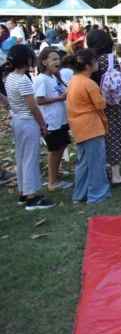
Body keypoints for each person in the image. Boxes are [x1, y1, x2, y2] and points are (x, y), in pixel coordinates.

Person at [4, 45, 55, 210]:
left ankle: (23, 192)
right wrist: (42, 125)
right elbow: (33, 107)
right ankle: (32, 196)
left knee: (21, 157)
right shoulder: (23, 80)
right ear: (26, 60)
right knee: (30, 158)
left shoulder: (10, 77)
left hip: (17, 120)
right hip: (27, 122)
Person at [64, 49, 112, 205]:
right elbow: (100, 104)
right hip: (91, 126)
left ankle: (80, 194)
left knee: (83, 163)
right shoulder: (89, 83)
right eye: (95, 61)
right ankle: (97, 194)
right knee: (97, 162)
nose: (97, 63)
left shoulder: (73, 80)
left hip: (78, 127)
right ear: (88, 65)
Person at [87, 29, 121, 186]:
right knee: (113, 136)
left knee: (99, 138)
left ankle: (101, 169)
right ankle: (116, 175)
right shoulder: (110, 60)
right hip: (111, 104)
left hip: (93, 104)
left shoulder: (90, 59)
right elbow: (120, 80)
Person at [33, 48, 71, 191]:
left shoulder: (55, 77)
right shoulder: (41, 79)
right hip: (51, 122)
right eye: (53, 59)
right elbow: (39, 100)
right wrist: (59, 98)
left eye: (58, 59)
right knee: (54, 150)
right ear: (44, 62)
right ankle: (52, 181)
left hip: (60, 120)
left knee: (61, 147)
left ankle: (55, 175)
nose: (57, 62)